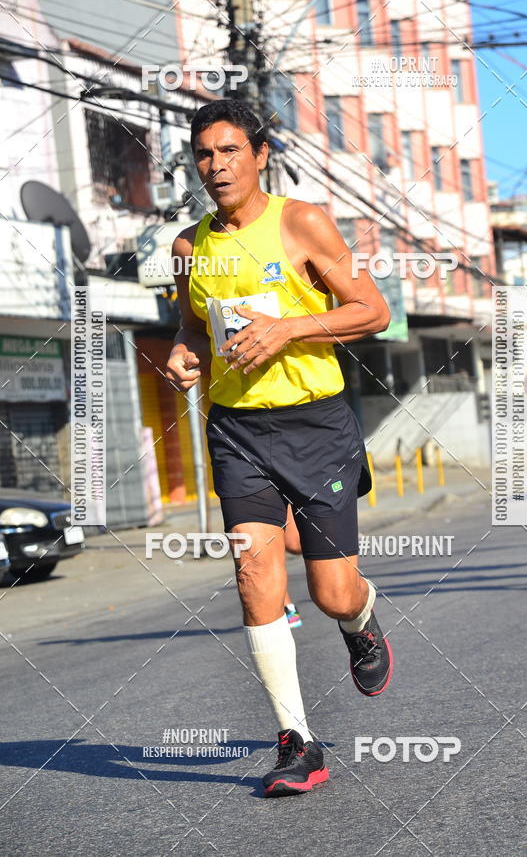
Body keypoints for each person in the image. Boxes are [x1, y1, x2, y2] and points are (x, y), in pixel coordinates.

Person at [165, 99, 393, 797]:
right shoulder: (188, 246)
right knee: (254, 576)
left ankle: (360, 621)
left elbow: (372, 310)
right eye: (205, 154)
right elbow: (189, 324)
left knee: (330, 591)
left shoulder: (303, 223)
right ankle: (298, 740)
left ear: (260, 155)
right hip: (236, 430)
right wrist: (182, 352)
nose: (217, 165)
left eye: (230, 150)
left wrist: (289, 329)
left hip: (315, 425)